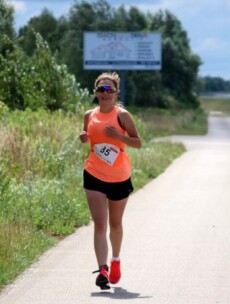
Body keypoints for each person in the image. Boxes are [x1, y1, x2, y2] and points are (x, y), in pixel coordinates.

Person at [79, 72, 142, 290]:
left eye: (110, 90)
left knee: (115, 224)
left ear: (116, 93)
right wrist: (84, 137)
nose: (105, 94)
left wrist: (119, 137)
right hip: (94, 173)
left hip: (119, 177)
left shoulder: (122, 115)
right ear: (95, 91)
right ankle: (102, 269)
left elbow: (138, 143)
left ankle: (115, 260)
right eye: (101, 90)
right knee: (100, 223)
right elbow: (89, 136)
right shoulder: (89, 115)